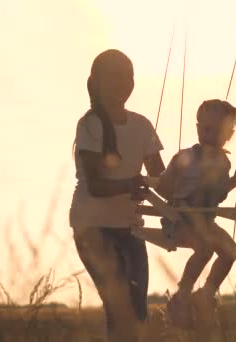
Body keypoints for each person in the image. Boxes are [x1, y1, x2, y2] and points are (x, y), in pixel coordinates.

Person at [69, 49, 166, 341]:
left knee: (137, 311)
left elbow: (162, 179)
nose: (124, 81)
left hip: (130, 229)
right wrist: (132, 184)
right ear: (96, 82)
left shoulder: (143, 124)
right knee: (118, 304)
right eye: (115, 75)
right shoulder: (90, 125)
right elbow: (97, 186)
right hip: (92, 228)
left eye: (129, 75)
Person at [155, 99, 236, 329]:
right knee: (205, 248)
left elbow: (218, 195)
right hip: (179, 220)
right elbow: (163, 185)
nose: (210, 135)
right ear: (197, 128)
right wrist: (164, 185)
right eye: (206, 129)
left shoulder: (223, 162)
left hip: (205, 220)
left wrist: (235, 180)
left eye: (218, 131)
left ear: (229, 135)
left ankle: (206, 293)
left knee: (230, 251)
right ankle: (182, 295)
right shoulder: (185, 157)